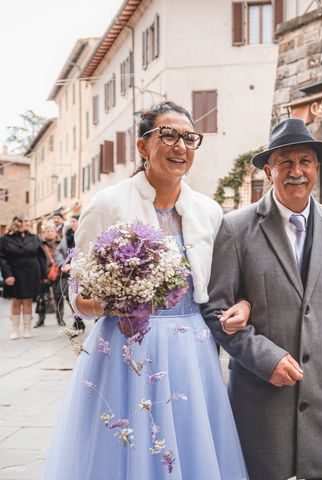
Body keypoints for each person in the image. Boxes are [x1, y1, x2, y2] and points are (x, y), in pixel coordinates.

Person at [41, 102, 250, 479]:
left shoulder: (208, 211)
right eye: (167, 135)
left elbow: (226, 286)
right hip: (125, 351)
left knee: (192, 447)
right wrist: (116, 302)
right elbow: (78, 293)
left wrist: (244, 304)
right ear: (142, 146)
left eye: (189, 138)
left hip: (193, 351)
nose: (180, 146)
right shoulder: (108, 204)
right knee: (126, 452)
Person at [202, 118, 322, 480]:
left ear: (316, 168)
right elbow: (216, 312)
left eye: (305, 161)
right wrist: (267, 359)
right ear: (269, 170)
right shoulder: (235, 227)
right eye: (286, 162)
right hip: (262, 396)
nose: (297, 171)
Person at [0, 214, 46, 340]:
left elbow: (41, 257)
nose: (28, 222)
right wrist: (7, 275)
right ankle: (14, 330)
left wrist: (43, 275)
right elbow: (2, 258)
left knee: (28, 300)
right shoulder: (5, 239)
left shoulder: (34, 238)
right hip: (14, 274)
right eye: (25, 220)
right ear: (17, 222)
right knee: (16, 301)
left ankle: (27, 328)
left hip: (31, 273)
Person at [54, 214, 84, 332]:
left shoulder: (84, 234)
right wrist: (63, 264)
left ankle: (95, 321)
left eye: (74, 221)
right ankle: (79, 322)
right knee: (68, 296)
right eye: (71, 221)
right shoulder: (67, 236)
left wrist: (73, 265)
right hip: (67, 272)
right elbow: (58, 252)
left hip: (81, 271)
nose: (72, 223)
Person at [34, 222, 65, 328]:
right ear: (44, 233)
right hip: (44, 274)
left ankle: (60, 318)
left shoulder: (60, 243)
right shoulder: (39, 244)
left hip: (58, 274)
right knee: (41, 297)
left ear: (55, 232)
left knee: (59, 297)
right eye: (47, 231)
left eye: (52, 231)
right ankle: (40, 320)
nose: (50, 233)